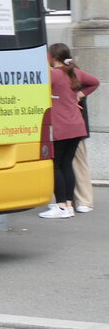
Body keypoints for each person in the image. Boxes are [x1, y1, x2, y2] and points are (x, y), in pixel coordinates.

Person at [40, 43, 99, 219]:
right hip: (77, 126)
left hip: (60, 126)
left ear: (52, 57)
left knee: (56, 165)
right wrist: (79, 95)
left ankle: (61, 206)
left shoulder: (53, 75)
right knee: (67, 164)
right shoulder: (75, 73)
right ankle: (68, 205)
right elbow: (94, 82)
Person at [73, 97, 94, 213]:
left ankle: (84, 201)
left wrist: (80, 95)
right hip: (61, 121)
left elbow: (91, 86)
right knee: (61, 164)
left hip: (75, 123)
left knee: (78, 163)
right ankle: (65, 200)